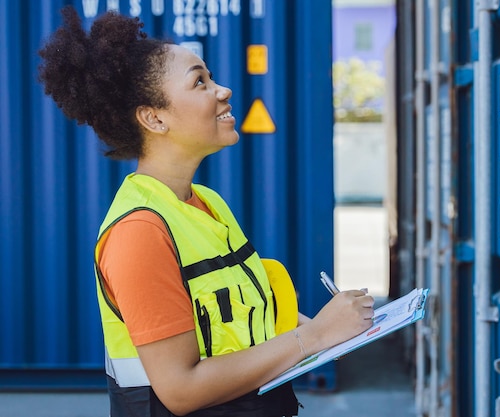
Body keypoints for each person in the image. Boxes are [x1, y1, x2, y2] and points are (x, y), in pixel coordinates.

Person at [37, 6, 375, 417]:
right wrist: (316, 337)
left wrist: (327, 329)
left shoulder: (207, 203)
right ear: (154, 118)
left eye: (211, 77)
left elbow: (235, 318)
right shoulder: (140, 232)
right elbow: (181, 389)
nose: (223, 90)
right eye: (200, 82)